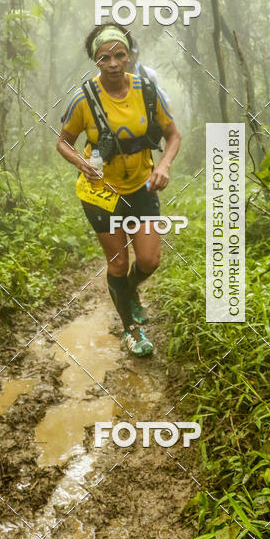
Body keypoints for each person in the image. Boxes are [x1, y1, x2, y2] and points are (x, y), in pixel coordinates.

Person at [56, 22, 181, 357]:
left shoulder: (148, 91)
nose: (112, 63)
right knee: (117, 262)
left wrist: (164, 166)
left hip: (141, 186)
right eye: (104, 58)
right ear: (95, 60)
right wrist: (81, 163)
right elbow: (63, 142)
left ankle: (128, 291)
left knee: (149, 260)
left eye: (119, 55)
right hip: (101, 192)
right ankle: (132, 331)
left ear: (129, 56)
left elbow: (173, 135)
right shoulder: (84, 99)